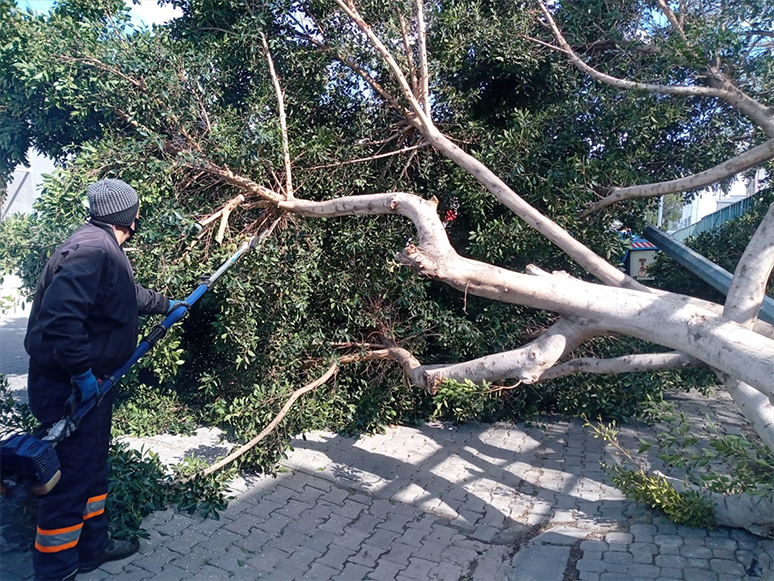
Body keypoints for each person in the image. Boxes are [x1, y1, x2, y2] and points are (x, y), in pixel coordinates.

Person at [24, 178, 178, 580]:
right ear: (129, 215)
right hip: (69, 388)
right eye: (138, 210)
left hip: (90, 383)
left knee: (92, 469)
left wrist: (166, 305)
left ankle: (92, 547)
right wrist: (81, 374)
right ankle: (56, 569)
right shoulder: (94, 250)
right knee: (69, 480)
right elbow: (60, 319)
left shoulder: (102, 248)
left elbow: (123, 294)